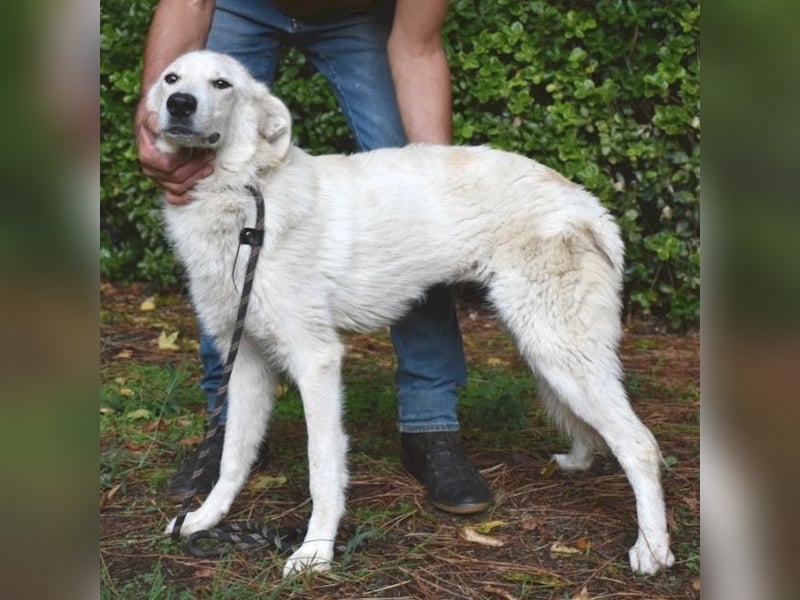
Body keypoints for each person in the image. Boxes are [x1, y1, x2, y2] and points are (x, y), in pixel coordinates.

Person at [135, 0, 491, 515]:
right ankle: (227, 425)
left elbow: (417, 46)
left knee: (413, 226)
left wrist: (434, 191)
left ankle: (431, 425)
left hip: (361, 15)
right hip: (241, 5)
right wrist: (151, 120)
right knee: (206, 190)